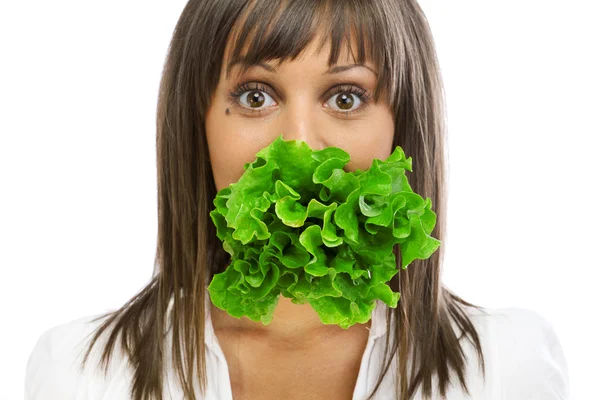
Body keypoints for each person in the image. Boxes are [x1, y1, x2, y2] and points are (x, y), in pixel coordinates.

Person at [25, 0, 570, 399]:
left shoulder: (507, 367)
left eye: (346, 96)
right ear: (199, 124)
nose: (300, 143)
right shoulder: (79, 373)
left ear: (401, 126)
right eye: (255, 95)